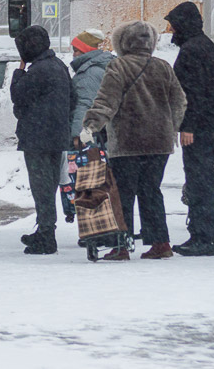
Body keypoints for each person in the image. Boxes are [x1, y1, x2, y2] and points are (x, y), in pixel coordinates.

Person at [80, 20, 186, 261]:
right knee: (151, 192)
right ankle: (161, 242)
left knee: (123, 194)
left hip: (128, 141)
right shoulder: (163, 66)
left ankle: (122, 245)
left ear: (123, 43)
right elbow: (180, 102)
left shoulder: (119, 66)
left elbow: (107, 101)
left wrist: (90, 126)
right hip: (159, 144)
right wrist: (172, 127)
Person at [165, 1, 214, 257]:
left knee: (199, 181)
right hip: (208, 124)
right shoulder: (204, 46)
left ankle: (204, 237)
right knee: (202, 181)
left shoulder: (193, 50)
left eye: (174, 26)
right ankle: (203, 234)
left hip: (199, 127)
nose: (171, 32)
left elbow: (195, 93)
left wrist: (187, 125)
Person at [10, 25, 73, 255]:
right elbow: (72, 99)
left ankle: (46, 235)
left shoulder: (38, 70)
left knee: (42, 187)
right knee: (49, 185)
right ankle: (45, 230)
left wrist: (19, 72)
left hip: (38, 138)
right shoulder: (58, 66)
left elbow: (18, 95)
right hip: (55, 136)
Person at [64, 29, 114, 223]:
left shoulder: (88, 73)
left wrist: (76, 134)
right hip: (104, 133)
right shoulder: (104, 66)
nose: (74, 54)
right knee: (102, 182)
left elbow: (84, 105)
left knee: (89, 183)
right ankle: (106, 226)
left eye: (77, 50)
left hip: (90, 136)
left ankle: (95, 229)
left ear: (86, 51)